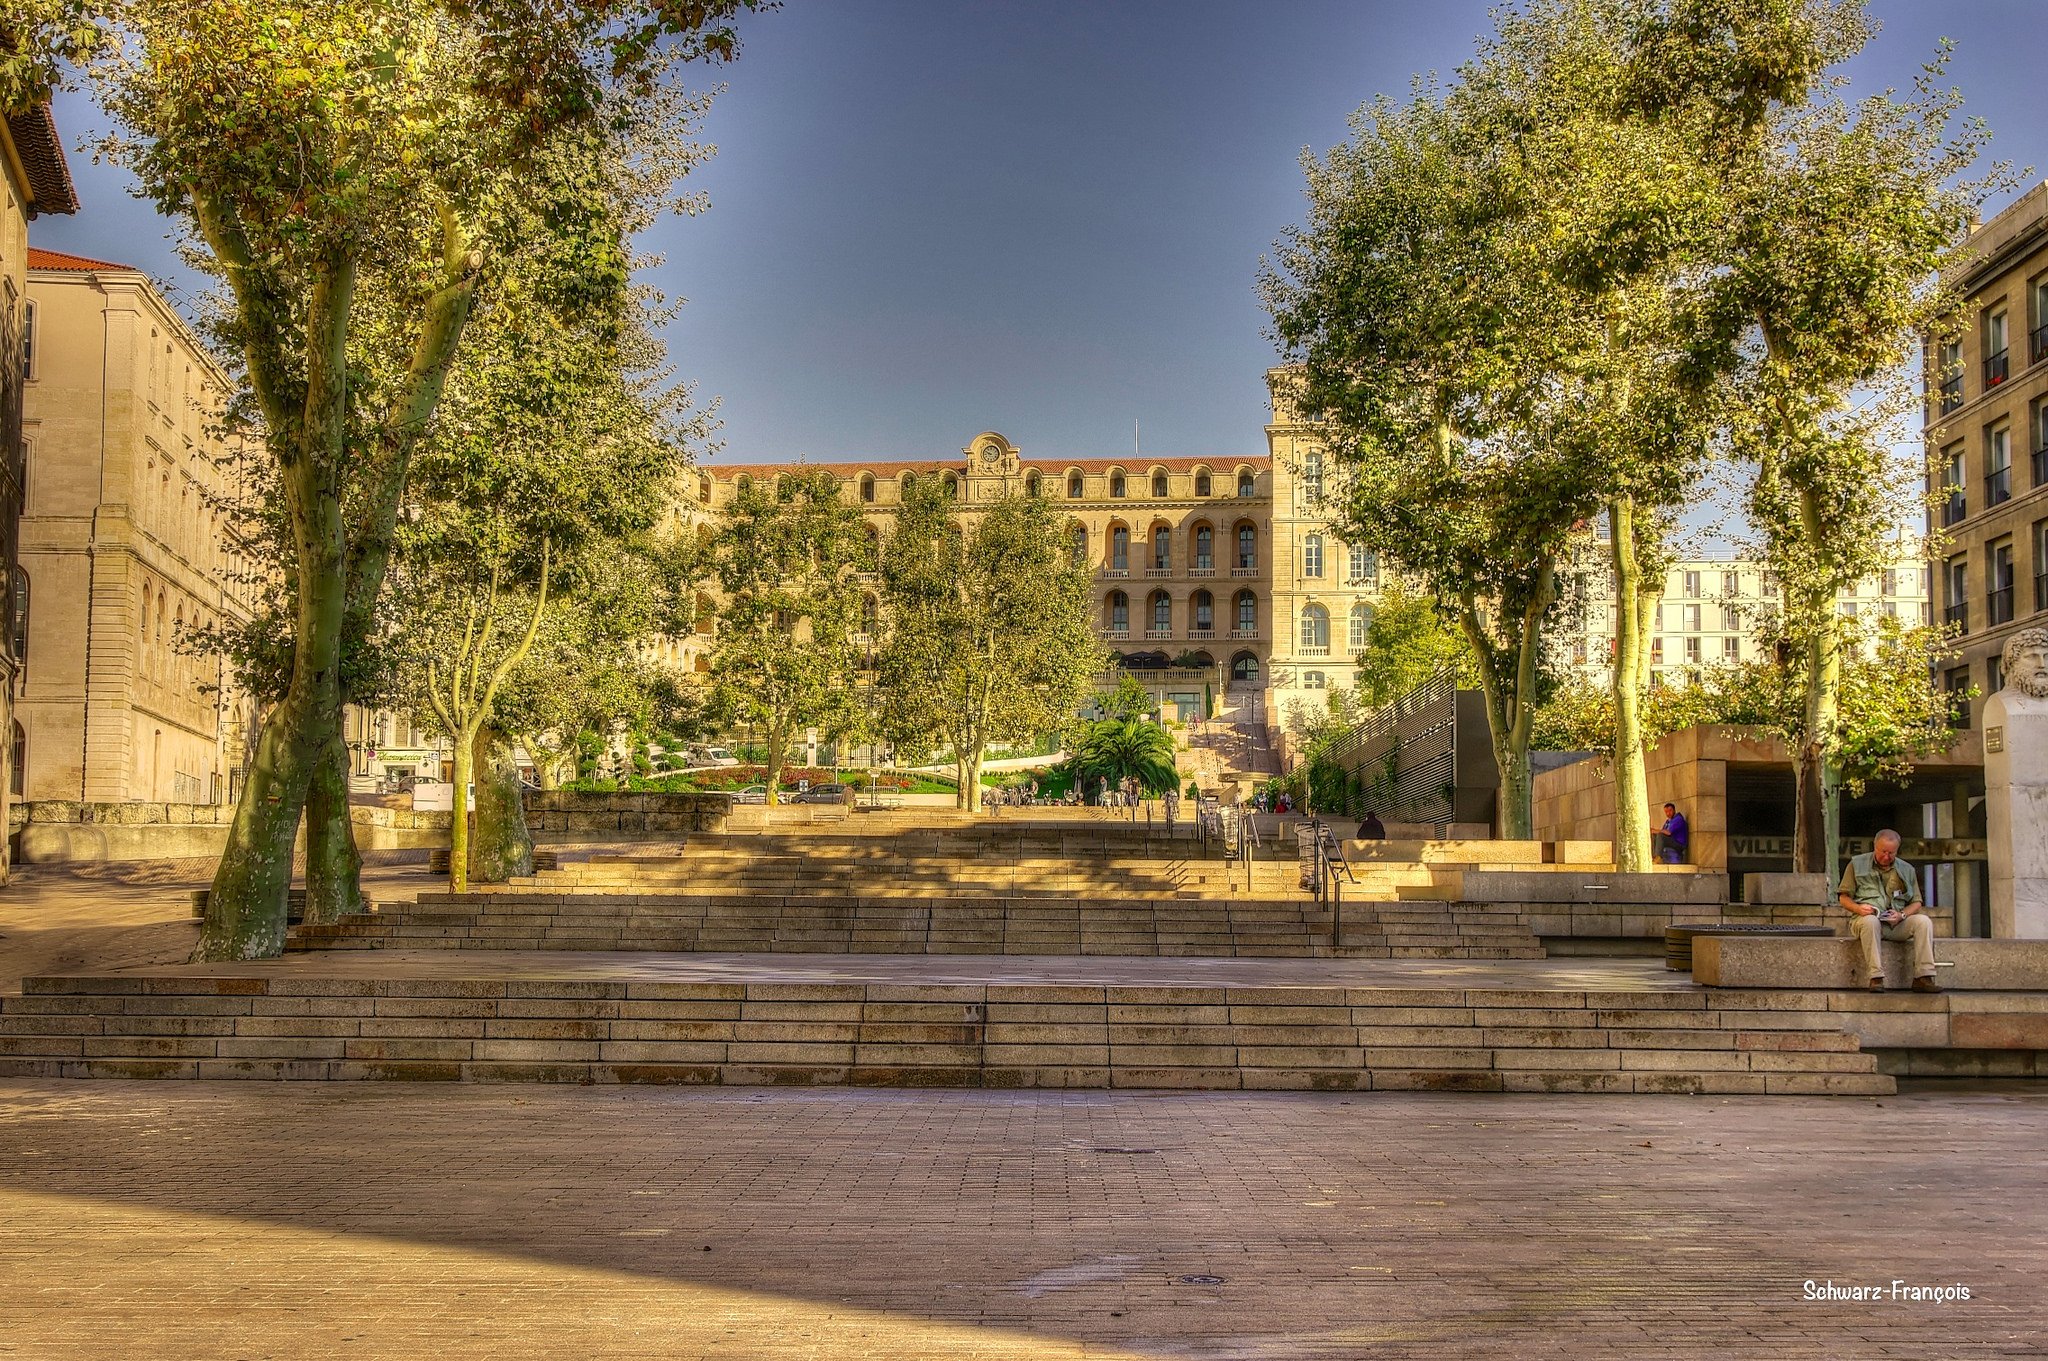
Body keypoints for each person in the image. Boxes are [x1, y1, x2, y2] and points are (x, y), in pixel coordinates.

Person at [1838, 829, 1940, 993]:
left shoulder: (1907, 869)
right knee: (1870, 922)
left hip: (1895, 923)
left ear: (1897, 850)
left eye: (1891, 853)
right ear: (1875, 846)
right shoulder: (1856, 864)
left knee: (1923, 921)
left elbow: (1917, 902)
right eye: (1883, 852)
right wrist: (1858, 908)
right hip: (1866, 921)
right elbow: (1843, 898)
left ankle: (1924, 977)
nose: (1886, 857)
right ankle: (1876, 977)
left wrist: (1901, 915)